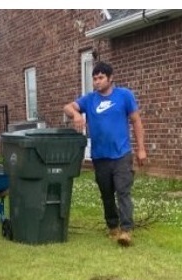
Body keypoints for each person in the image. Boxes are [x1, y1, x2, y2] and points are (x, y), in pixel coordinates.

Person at [63, 61, 147, 246]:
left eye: (100, 78)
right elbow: (68, 107)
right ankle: (112, 227)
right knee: (106, 194)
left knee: (123, 192)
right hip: (100, 156)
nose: (97, 82)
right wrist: (77, 115)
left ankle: (126, 231)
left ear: (110, 78)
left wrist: (141, 149)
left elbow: (136, 121)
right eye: (94, 78)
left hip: (122, 154)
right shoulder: (90, 99)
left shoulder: (124, 96)